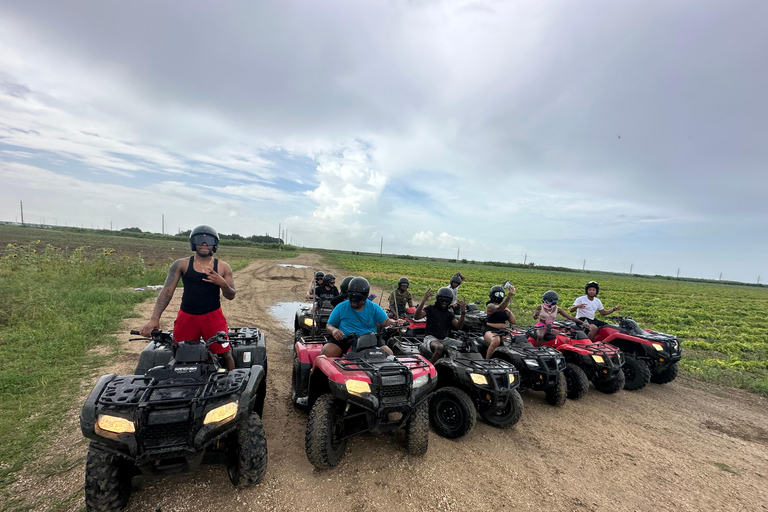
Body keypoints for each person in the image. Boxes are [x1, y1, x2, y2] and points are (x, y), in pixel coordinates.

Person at [140, 225, 236, 370]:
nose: (204, 244)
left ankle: (231, 383)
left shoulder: (223, 267)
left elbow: (231, 295)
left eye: (208, 240)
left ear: (214, 244)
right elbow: (166, 292)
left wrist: (222, 283)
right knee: (178, 353)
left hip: (213, 317)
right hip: (187, 316)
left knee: (225, 354)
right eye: (199, 240)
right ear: (193, 243)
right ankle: (172, 385)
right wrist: (154, 319)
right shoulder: (181, 264)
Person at [323, 277, 404, 357]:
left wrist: (395, 322)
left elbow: (386, 322)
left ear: (365, 297)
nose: (354, 302)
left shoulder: (373, 307)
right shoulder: (341, 307)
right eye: (352, 298)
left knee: (389, 355)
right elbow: (329, 325)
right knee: (327, 351)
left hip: (369, 339)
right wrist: (334, 330)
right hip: (344, 338)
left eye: (358, 300)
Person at [414, 287, 465, 363]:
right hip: (430, 338)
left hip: (444, 339)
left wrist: (463, 313)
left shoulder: (449, 313)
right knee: (439, 347)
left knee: (464, 346)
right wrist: (423, 301)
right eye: (442, 300)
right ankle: (433, 368)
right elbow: (417, 317)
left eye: (446, 301)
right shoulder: (430, 308)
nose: (444, 302)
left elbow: (458, 326)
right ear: (438, 299)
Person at [483, 284, 516, 359]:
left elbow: (513, 322)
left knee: (512, 341)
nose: (499, 296)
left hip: (503, 331)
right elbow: (498, 308)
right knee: (496, 340)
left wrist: (510, 312)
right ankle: (487, 360)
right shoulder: (490, 305)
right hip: (491, 330)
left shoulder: (504, 307)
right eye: (497, 294)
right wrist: (509, 297)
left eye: (501, 294)